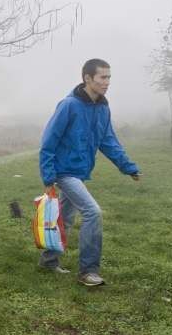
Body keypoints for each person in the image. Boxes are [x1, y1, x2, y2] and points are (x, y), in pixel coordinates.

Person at [39, 59, 141, 286]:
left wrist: (128, 167)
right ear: (88, 78)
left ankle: (48, 261)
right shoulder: (68, 105)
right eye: (102, 77)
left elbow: (108, 141)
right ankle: (88, 271)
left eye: (109, 77)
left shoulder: (103, 107)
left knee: (64, 217)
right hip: (64, 172)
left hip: (80, 171)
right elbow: (48, 142)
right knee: (92, 212)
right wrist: (48, 177)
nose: (107, 82)